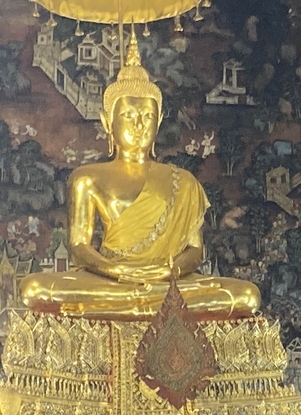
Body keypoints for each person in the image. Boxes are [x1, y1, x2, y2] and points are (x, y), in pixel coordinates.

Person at [20, 33, 260, 321]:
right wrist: (116, 270)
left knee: (245, 295)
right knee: (35, 289)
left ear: (159, 121)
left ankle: (140, 304)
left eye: (147, 116)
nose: (139, 124)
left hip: (170, 282)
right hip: (109, 281)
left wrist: (166, 271)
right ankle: (138, 303)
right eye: (129, 115)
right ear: (108, 121)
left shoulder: (183, 181)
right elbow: (79, 247)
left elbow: (195, 251)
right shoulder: (87, 178)